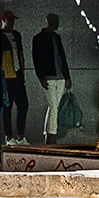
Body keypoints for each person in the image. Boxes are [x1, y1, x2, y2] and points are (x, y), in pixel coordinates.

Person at [32, 13, 72, 144]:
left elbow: (62, 58)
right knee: (54, 105)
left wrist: (66, 76)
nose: (58, 24)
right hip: (49, 76)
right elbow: (36, 59)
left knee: (53, 106)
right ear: (50, 22)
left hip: (59, 76)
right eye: (56, 21)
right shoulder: (39, 38)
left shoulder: (56, 37)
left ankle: (48, 133)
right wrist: (41, 77)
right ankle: (52, 134)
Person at [0, 10, 28, 144]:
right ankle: (9, 136)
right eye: (10, 20)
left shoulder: (17, 35)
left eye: (13, 20)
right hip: (6, 75)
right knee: (7, 106)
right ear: (3, 21)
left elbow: (20, 54)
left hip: (18, 74)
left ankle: (21, 136)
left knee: (23, 105)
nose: (12, 22)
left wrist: (22, 71)